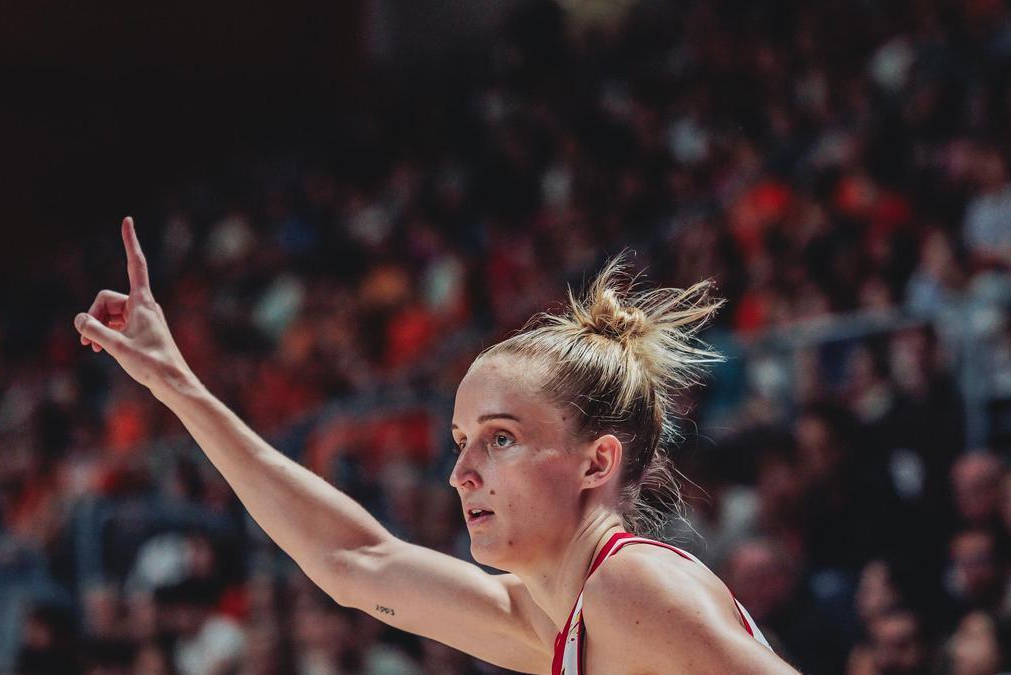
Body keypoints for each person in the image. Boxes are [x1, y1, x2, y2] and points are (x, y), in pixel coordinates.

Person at [73, 217, 798, 674]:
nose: (460, 473)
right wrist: (179, 387)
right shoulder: (552, 620)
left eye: (501, 438)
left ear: (596, 461)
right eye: (460, 441)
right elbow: (353, 560)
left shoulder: (629, 585)